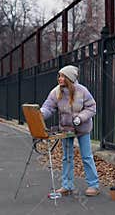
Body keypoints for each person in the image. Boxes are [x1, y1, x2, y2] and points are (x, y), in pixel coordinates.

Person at [40, 65, 99, 196]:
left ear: (69, 78)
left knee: (86, 156)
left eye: (62, 76)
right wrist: (41, 113)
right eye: (59, 76)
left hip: (82, 128)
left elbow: (91, 107)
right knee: (67, 157)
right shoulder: (56, 92)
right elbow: (48, 107)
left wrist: (80, 118)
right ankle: (67, 185)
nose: (60, 79)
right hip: (66, 129)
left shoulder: (82, 91)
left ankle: (93, 185)